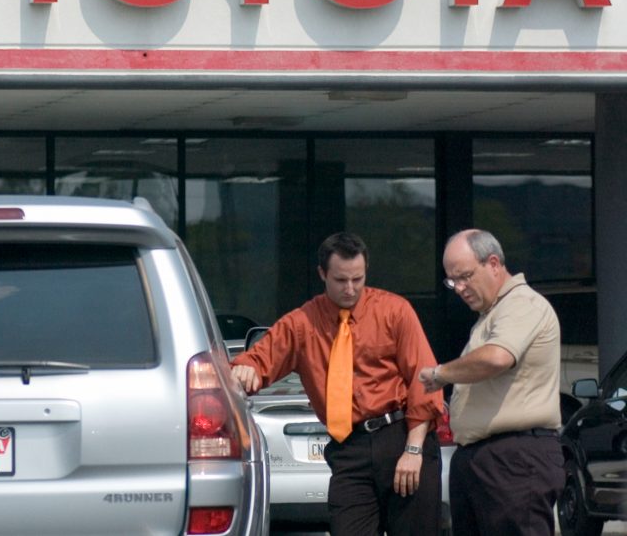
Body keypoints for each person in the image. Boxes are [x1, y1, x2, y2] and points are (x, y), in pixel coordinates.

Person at [232, 232, 444, 536]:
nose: (350, 288)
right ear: (322, 274)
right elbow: (256, 360)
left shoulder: (394, 311)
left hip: (399, 435)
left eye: (358, 279)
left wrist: (414, 450)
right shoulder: (303, 322)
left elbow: (425, 379)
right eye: (340, 280)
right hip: (350, 449)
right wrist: (246, 369)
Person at [419, 229, 563, 536]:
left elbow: (497, 357)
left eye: (465, 276)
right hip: (481, 458)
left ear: (494, 263)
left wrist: (440, 374)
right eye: (451, 281)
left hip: (515, 458)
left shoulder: (522, 304)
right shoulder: (492, 314)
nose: (458, 288)